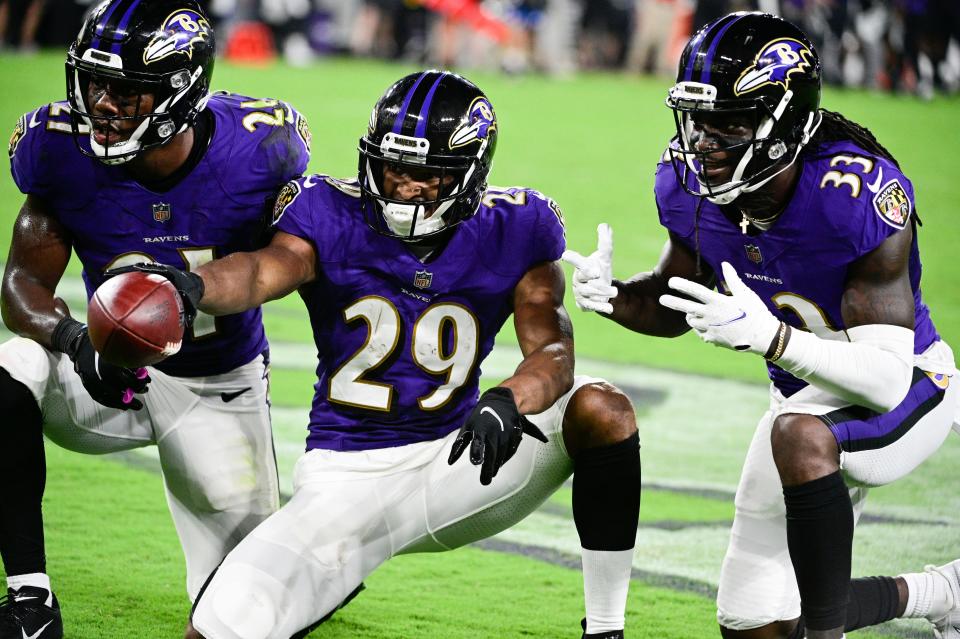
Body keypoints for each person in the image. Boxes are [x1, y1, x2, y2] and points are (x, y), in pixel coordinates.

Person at [124, 69, 641, 639]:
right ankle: (334, 571)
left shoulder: (518, 226)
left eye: (425, 174)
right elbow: (261, 271)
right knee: (218, 627)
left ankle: (607, 628)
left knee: (602, 409)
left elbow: (553, 352)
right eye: (393, 167)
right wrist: (193, 287)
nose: (402, 185)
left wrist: (508, 399)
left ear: (468, 175)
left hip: (460, 458)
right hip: (347, 474)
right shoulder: (327, 210)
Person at [562, 11, 959, 639]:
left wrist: (773, 339)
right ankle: (943, 593)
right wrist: (614, 296)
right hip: (801, 397)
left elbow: (882, 381)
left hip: (910, 385)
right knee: (754, 624)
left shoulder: (854, 192)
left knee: (800, 435)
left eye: (729, 125)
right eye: (698, 122)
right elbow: (674, 304)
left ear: (785, 125)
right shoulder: (691, 185)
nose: (706, 143)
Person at [0, 1, 311, 637]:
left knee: (247, 610)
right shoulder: (58, 149)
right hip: (104, 372)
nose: (102, 104)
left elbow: (292, 264)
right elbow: (22, 284)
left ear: (179, 92)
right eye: (94, 82)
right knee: (13, 365)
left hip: (215, 384)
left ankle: (314, 558)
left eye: (126, 90)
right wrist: (73, 339)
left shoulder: (259, 148)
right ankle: (29, 597)